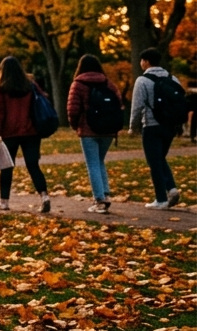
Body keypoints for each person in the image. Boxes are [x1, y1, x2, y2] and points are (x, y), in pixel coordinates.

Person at [0, 56, 50, 213]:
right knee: (33, 165)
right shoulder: (30, 85)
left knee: (6, 167)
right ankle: (44, 196)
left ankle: (4, 202)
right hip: (31, 131)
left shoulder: (1, 89)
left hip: (10, 133)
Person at [67, 54, 121, 214]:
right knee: (99, 161)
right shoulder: (108, 83)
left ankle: (99, 200)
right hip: (108, 130)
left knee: (93, 164)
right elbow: (119, 105)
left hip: (88, 130)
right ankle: (105, 194)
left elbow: (72, 109)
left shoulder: (78, 84)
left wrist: (75, 126)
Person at [130, 48, 183, 209]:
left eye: (141, 61)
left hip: (152, 126)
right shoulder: (172, 78)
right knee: (159, 158)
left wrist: (133, 127)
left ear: (145, 61)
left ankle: (161, 199)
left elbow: (137, 106)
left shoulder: (143, 80)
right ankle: (172, 189)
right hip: (170, 127)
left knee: (154, 162)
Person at [187, 81, 197, 145]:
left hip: (194, 111)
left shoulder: (190, 95)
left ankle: (192, 136)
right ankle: (193, 136)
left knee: (194, 123)